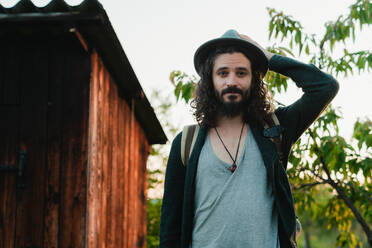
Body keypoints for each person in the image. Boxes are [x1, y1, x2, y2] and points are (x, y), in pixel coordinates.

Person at [159, 29, 339, 248]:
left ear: (254, 80)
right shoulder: (186, 142)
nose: (232, 81)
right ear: (210, 80)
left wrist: (268, 58)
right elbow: (170, 229)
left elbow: (324, 87)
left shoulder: (275, 129)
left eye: (241, 73)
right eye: (223, 73)